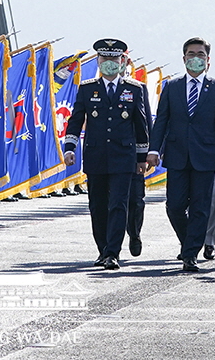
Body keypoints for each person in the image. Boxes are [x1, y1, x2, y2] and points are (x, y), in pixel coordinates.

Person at [148, 37, 215, 272]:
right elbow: (162, 121)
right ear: (184, 58)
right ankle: (190, 241)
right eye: (191, 54)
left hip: (206, 156)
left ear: (208, 60)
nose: (195, 58)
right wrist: (154, 150)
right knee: (174, 206)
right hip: (177, 155)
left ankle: (189, 254)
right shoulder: (172, 87)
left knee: (200, 207)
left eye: (200, 54)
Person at [63, 39, 150, 270]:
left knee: (118, 204)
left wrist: (142, 158)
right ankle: (102, 249)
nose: (110, 63)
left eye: (114, 59)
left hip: (124, 157)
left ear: (122, 61)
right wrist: (69, 148)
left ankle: (113, 252)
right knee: (98, 206)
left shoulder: (134, 89)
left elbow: (141, 125)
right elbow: (75, 121)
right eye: (105, 59)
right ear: (98, 61)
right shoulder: (87, 88)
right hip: (96, 155)